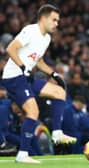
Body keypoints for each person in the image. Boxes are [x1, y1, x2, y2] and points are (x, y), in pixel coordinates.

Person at [1, 4, 76, 163]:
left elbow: (38, 60)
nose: (57, 23)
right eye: (54, 20)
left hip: (26, 77)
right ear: (43, 18)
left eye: (58, 21)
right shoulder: (30, 30)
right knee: (33, 112)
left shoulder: (47, 38)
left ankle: (56, 132)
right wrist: (22, 67)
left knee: (59, 92)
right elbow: (10, 48)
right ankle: (22, 154)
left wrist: (54, 74)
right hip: (14, 77)